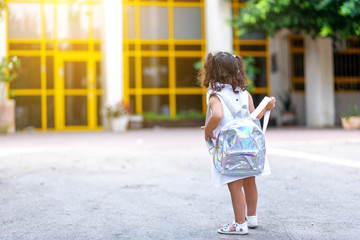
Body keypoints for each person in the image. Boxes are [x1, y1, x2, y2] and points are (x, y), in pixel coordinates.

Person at [198, 51, 276, 235]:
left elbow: (217, 115)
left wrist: (208, 131)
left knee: (235, 186)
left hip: (231, 150)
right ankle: (252, 217)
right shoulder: (244, 93)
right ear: (237, 71)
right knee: (250, 182)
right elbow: (253, 118)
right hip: (249, 147)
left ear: (212, 72)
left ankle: (240, 224)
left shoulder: (214, 95)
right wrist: (267, 107)